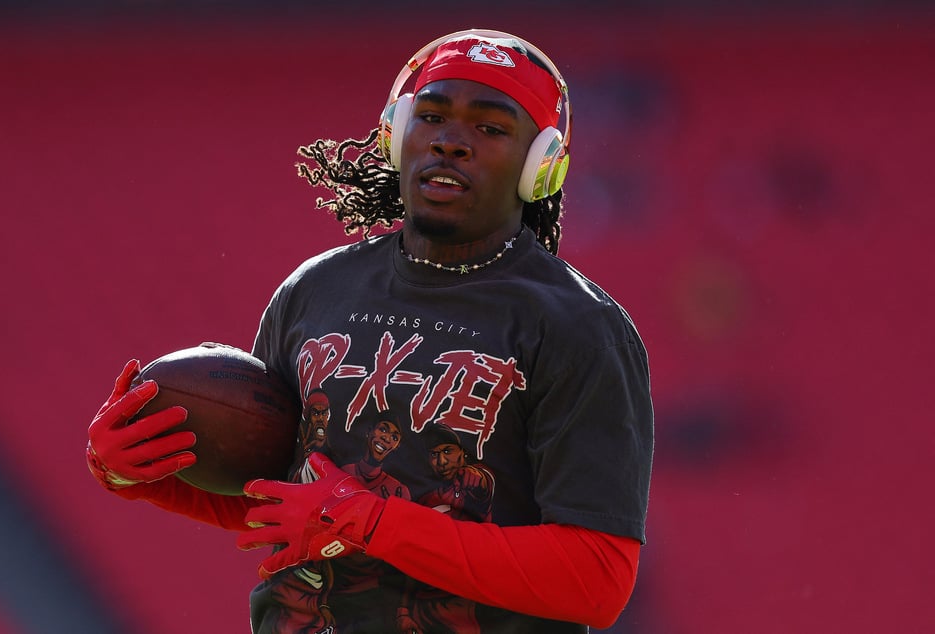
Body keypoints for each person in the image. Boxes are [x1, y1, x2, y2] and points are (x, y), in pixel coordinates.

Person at [85, 28, 654, 633]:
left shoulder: (582, 329)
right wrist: (142, 471)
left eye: (490, 128)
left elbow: (596, 580)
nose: (451, 141)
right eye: (432, 115)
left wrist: (371, 521)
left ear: (538, 167)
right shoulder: (314, 290)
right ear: (396, 133)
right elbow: (284, 500)